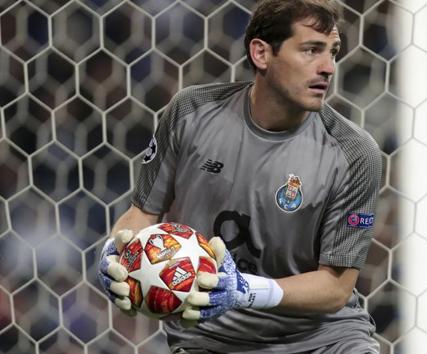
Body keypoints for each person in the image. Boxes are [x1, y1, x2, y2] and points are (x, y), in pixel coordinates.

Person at [98, 0, 382, 352]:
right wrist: (115, 255)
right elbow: (142, 213)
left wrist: (245, 291)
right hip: (210, 338)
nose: (328, 68)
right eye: (311, 50)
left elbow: (335, 288)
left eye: (333, 52)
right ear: (261, 53)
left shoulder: (354, 152)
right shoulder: (190, 114)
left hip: (322, 341)